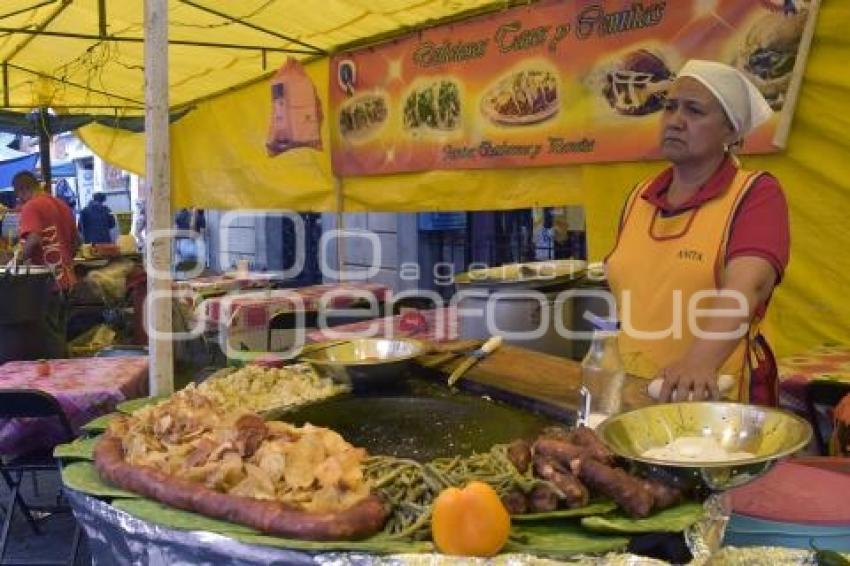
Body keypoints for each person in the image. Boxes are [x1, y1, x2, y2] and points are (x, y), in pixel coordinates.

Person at [606, 60, 788, 405]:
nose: (675, 120)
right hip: (638, 396)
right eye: (670, 107)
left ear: (731, 132)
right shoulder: (638, 198)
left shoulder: (755, 193)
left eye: (694, 110)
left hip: (719, 400)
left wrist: (698, 362)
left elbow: (749, 286)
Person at [12, 170, 79, 357]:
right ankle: (66, 376)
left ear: (22, 189)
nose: (19, 200)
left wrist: (16, 261)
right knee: (60, 334)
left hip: (47, 283)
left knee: (49, 338)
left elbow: (33, 239)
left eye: (18, 195)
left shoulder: (31, 207)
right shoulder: (61, 204)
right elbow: (76, 243)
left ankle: (56, 380)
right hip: (66, 280)